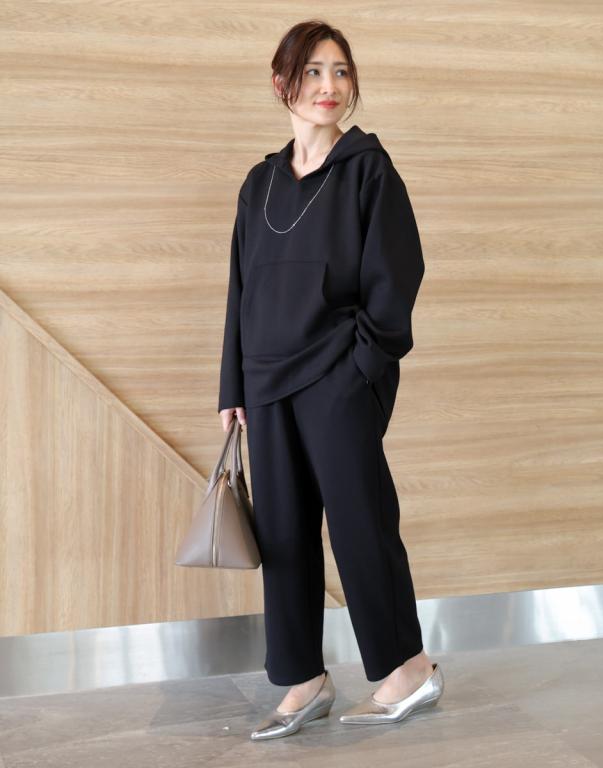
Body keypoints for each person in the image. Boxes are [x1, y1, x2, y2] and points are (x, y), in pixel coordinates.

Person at [217, 20, 444, 740]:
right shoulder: (259, 184)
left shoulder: (369, 170)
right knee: (283, 535)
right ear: (281, 82)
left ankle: (408, 671)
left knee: (360, 525)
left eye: (340, 71)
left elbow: (396, 279)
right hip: (265, 384)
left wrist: (360, 371)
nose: (329, 86)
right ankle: (303, 679)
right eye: (313, 71)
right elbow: (241, 289)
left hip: (337, 380)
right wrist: (232, 388)